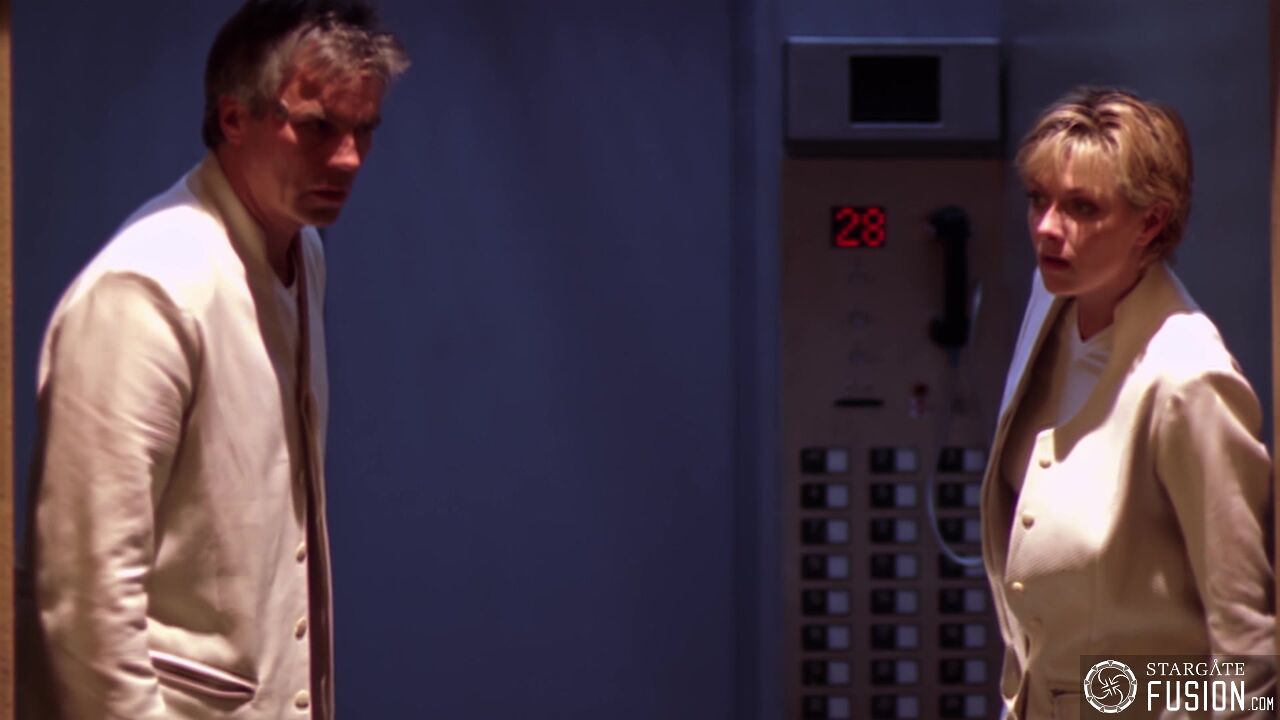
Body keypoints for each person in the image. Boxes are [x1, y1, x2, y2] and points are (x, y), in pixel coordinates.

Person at [17, 2, 408, 718]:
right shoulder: (147, 290)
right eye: (319, 126)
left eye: (365, 130)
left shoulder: (302, 250)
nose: (349, 158)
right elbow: (86, 606)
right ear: (234, 117)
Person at [981, 86, 1275, 719]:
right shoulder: (1052, 296)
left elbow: (1249, 659)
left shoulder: (1188, 380)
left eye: (1082, 207)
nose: (1046, 228)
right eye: (1037, 199)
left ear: (1151, 223)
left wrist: (1114, 697)